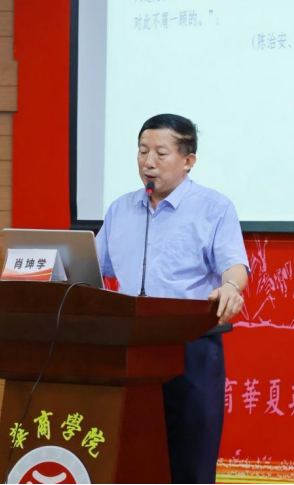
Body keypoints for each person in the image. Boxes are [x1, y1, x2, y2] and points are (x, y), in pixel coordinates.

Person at [95, 113, 250, 483]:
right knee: (132, 461)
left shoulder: (214, 208)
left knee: (189, 464)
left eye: (160, 153)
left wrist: (231, 287)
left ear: (188, 160)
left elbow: (235, 266)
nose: (148, 162)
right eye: (142, 151)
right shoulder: (120, 209)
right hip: (131, 349)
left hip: (190, 349)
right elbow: (90, 267)